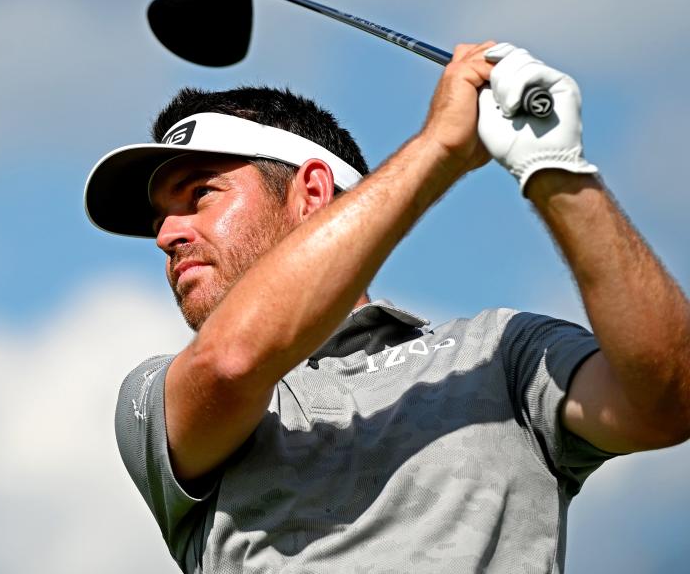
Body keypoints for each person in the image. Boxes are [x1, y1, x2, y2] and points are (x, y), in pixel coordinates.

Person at [83, 42, 690, 573]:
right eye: (161, 217)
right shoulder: (157, 395)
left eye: (199, 194)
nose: (166, 235)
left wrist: (555, 168)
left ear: (313, 194)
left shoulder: (500, 354)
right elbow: (231, 362)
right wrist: (441, 149)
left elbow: (668, 402)